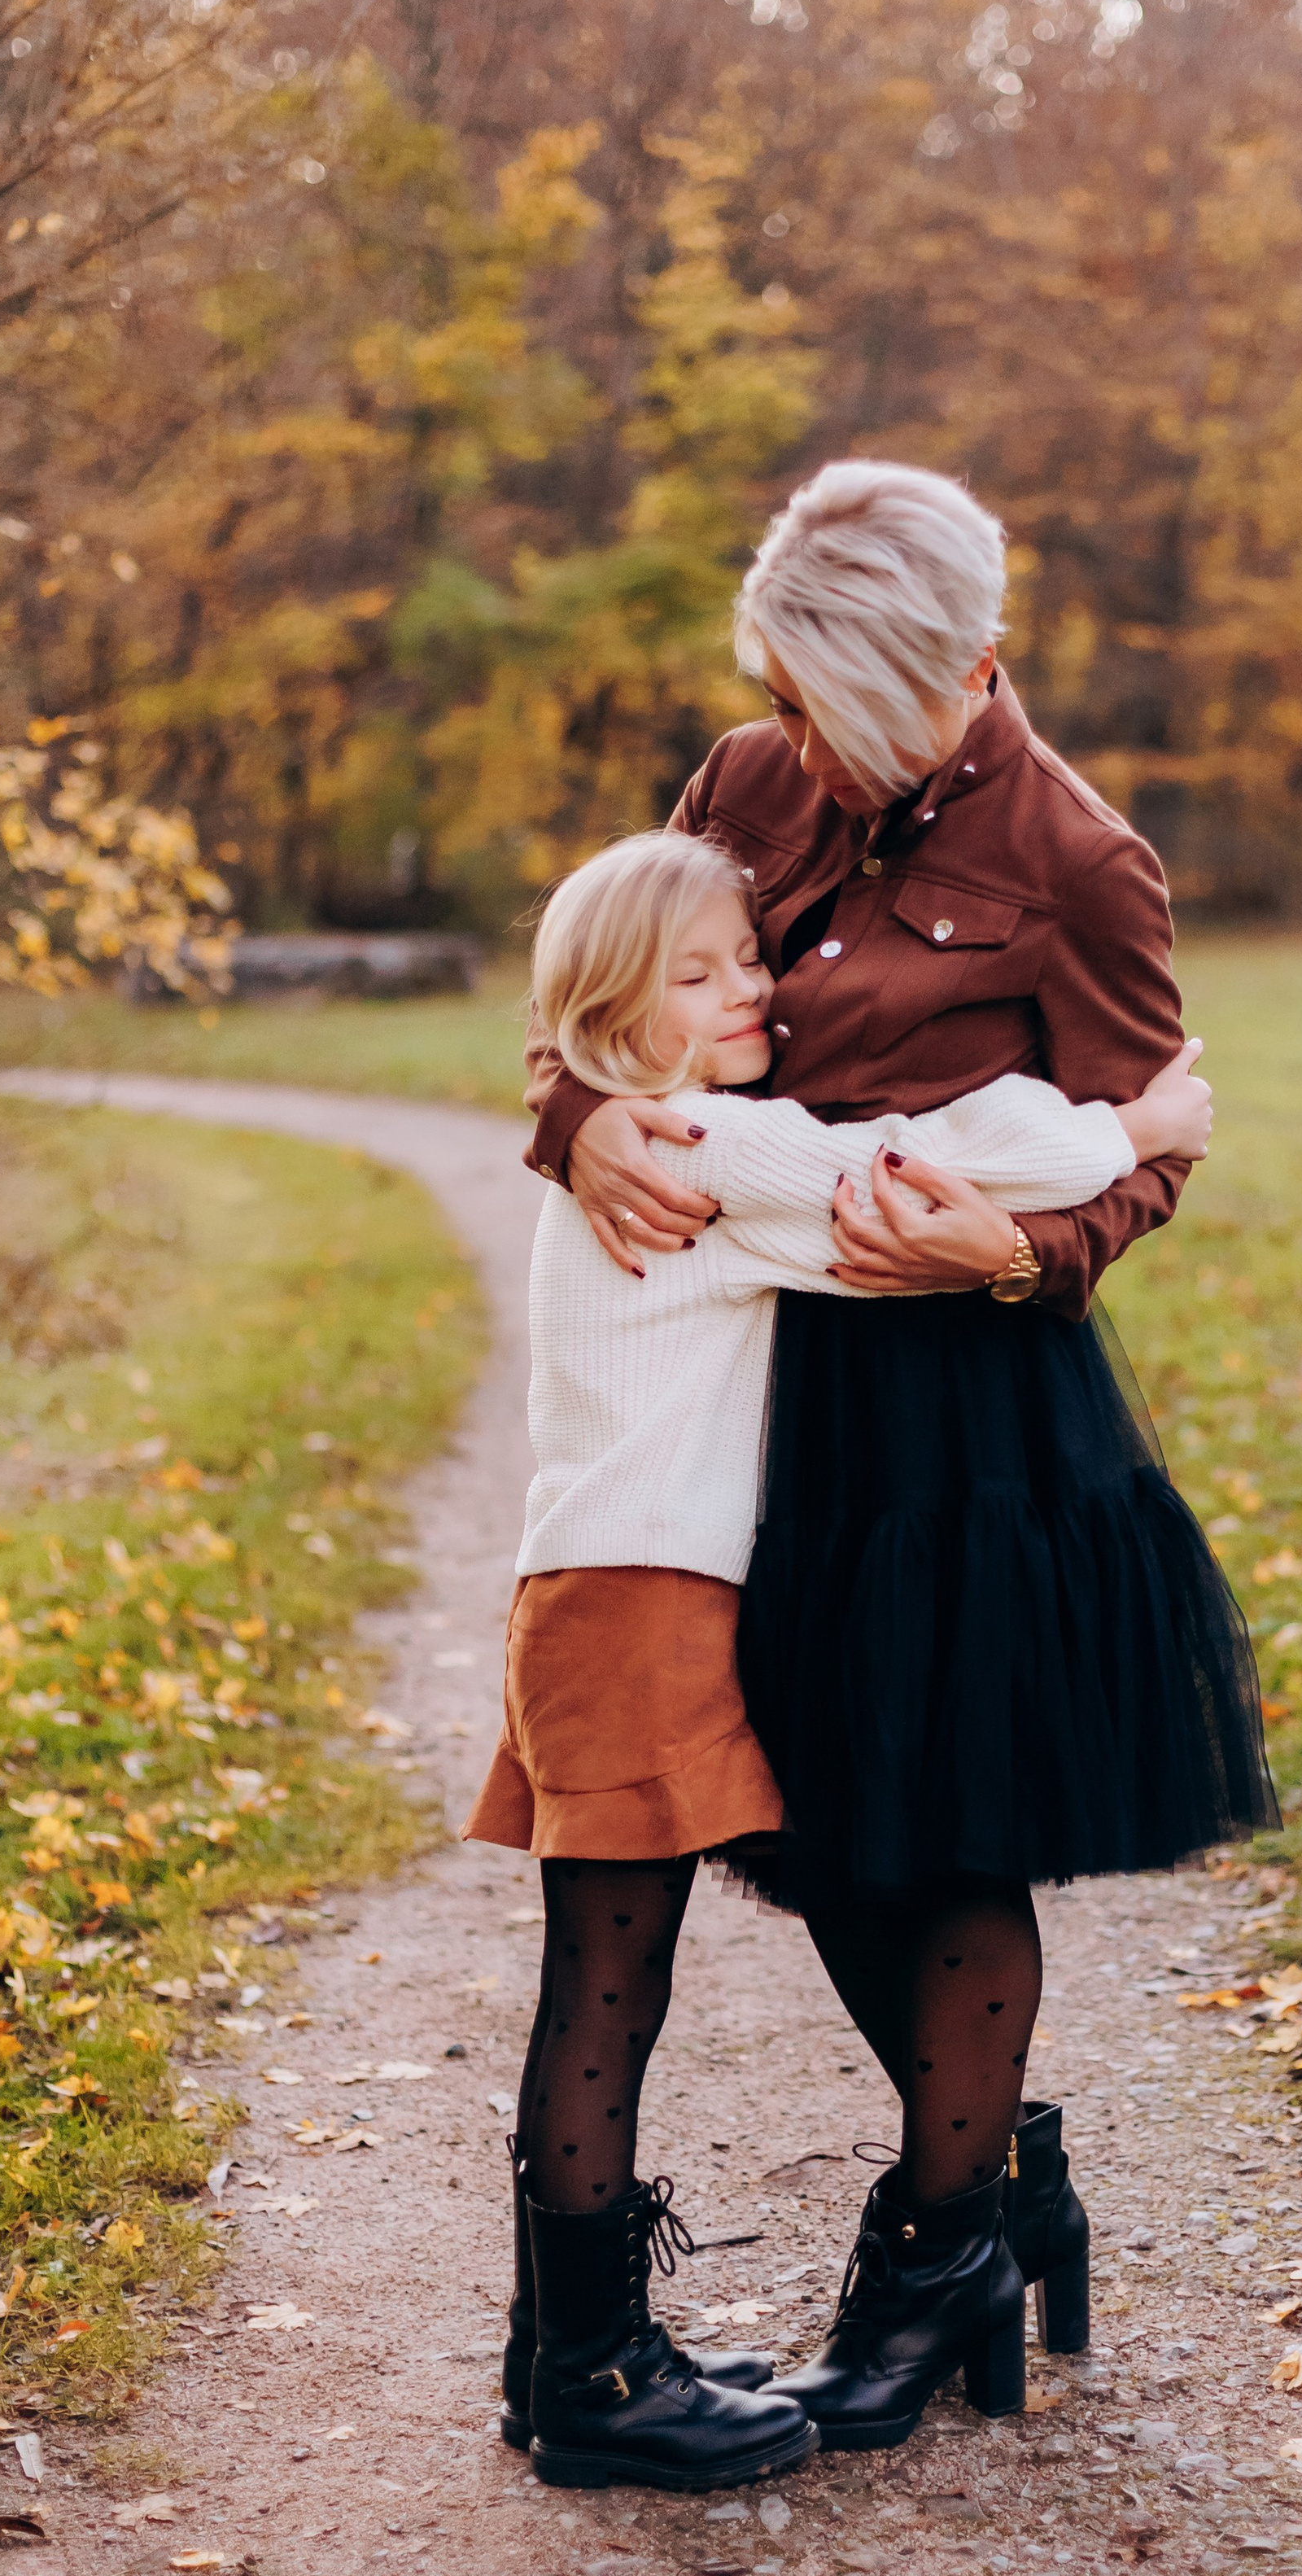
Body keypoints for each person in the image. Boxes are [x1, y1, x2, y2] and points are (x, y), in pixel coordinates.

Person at [524, 460, 1279, 2458]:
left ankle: (937, 2238)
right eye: (774, 699)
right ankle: (1005, 2173)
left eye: (824, 703)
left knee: (932, 1822)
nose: (792, 745)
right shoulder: (745, 783)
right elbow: (611, 996)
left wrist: (1016, 1250)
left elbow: (1147, 1141)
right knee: (805, 1814)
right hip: (758, 1379)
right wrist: (571, 1127)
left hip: (962, 1406)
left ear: (958, 666)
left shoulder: (1083, 858)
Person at [475, 826, 1211, 2489]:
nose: (752, 990)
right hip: (643, 1602)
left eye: (751, 958)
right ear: (610, 1008)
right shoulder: (695, 1143)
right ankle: (588, 2373)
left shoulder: (650, 1134)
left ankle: (567, 2355)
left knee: (614, 1972)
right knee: (606, 1985)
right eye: (700, 973)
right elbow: (918, 1167)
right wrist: (1136, 1128)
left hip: (600, 1596)